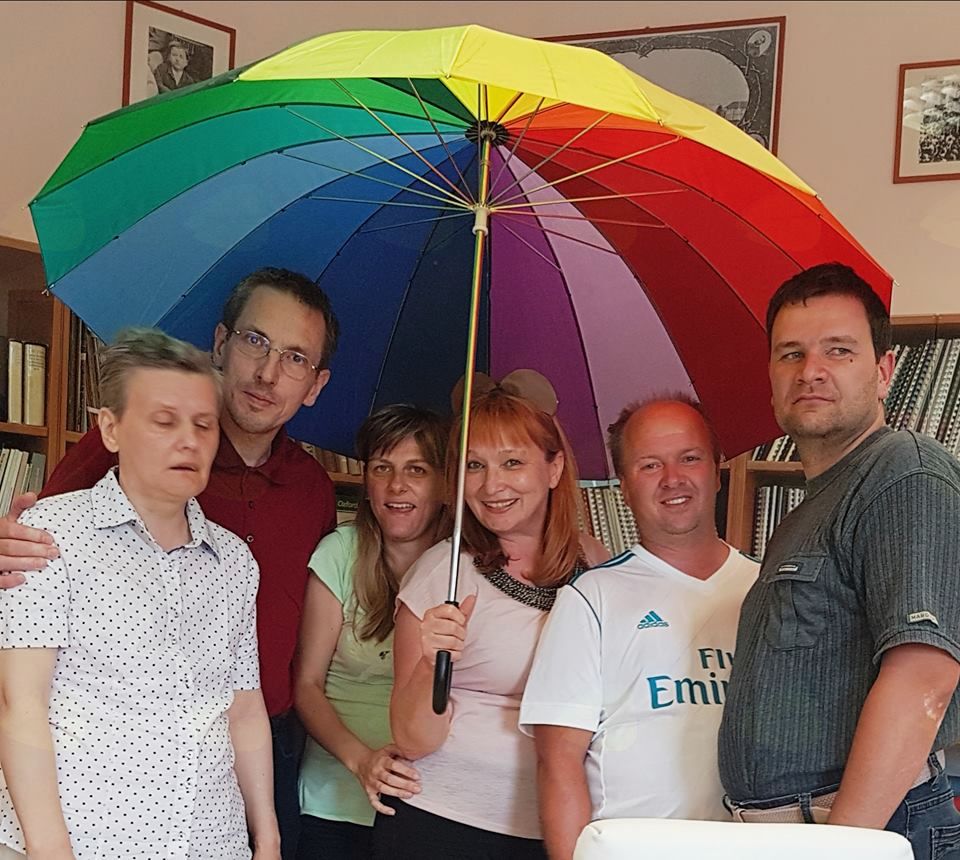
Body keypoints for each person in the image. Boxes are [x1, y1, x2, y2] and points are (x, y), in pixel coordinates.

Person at [0, 267, 339, 860]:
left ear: (315, 383)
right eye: (255, 341)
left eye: (294, 357)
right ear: (222, 342)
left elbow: (253, 689)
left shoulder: (311, 491)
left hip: (247, 759)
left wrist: (265, 832)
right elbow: (29, 552)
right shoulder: (82, 497)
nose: (268, 372)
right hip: (93, 800)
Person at [717, 263, 960, 859]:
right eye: (791, 354)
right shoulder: (809, 510)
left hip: (864, 830)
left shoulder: (903, 471)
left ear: (884, 372)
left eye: (839, 350)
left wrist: (839, 850)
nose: (811, 371)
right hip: (804, 832)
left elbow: (923, 675)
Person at [371, 371, 610, 860]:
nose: (491, 484)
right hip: (442, 824)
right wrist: (430, 664)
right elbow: (412, 740)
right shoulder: (441, 572)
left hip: (562, 825)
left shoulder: (599, 564)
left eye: (512, 462)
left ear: (554, 468)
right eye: (474, 465)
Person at [519, 396, 759, 860]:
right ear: (624, 487)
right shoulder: (591, 599)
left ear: (717, 469)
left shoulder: (770, 589)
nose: (673, 478)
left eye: (689, 458)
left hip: (750, 847)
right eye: (650, 465)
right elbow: (558, 762)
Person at [294, 404, 448, 859]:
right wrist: (362, 761)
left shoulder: (464, 569)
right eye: (382, 468)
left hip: (432, 801)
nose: (397, 485)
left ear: (445, 484)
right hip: (335, 799)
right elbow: (306, 685)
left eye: (416, 469)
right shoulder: (340, 552)